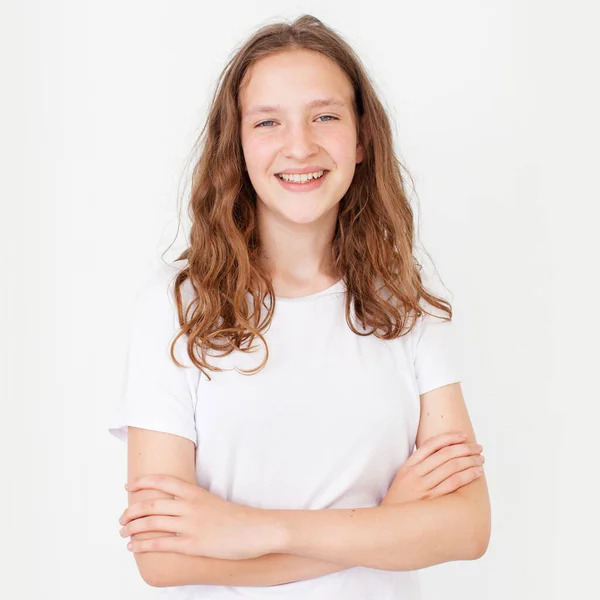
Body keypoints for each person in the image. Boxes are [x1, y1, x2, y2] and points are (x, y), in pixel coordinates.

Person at [108, 13, 491, 599]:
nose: (300, 145)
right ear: (235, 144)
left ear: (361, 139)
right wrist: (388, 523)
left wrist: (255, 530)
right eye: (268, 122)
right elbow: (163, 560)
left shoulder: (404, 304)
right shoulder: (180, 304)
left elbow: (466, 528)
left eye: (325, 116)